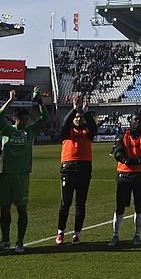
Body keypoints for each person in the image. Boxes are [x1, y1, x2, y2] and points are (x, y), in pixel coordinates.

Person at [0, 87, 48, 255]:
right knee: (4, 209)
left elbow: (44, 117)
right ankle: (5, 239)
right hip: (6, 175)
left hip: (22, 176)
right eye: (23, 120)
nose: (26, 122)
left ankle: (20, 241)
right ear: (15, 120)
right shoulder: (7, 130)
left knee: (22, 209)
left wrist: (39, 102)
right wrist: (10, 100)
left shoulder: (30, 131)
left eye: (27, 120)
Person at [109, 109, 141, 246]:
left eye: (139, 120)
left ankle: (137, 235)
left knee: (139, 205)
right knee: (120, 206)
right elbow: (117, 152)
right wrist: (125, 160)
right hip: (124, 174)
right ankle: (115, 235)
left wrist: (135, 161)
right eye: (135, 119)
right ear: (129, 121)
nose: (137, 122)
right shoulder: (123, 136)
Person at [56, 94, 98, 246]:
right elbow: (65, 124)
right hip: (68, 168)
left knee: (80, 203)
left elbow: (94, 127)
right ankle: (60, 232)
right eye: (76, 117)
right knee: (65, 202)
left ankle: (77, 234)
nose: (78, 119)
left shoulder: (87, 132)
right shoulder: (67, 132)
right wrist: (74, 109)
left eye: (81, 117)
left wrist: (86, 111)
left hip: (84, 168)